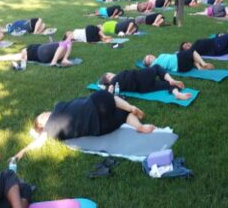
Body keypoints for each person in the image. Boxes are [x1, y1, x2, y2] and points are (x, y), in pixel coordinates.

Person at [11, 90, 156, 160]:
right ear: (42, 124)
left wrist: (22, 151)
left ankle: (139, 126)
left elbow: (39, 141)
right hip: (96, 104)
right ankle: (131, 109)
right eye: (42, 116)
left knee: (122, 116)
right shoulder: (52, 119)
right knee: (110, 98)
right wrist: (21, 152)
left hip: (100, 127)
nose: (45, 113)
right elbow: (38, 142)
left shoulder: (51, 129)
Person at [98, 65, 192, 100]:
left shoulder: (114, 85)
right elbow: (110, 91)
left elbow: (110, 92)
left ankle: (177, 94)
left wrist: (108, 93)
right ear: (108, 77)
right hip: (140, 76)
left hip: (143, 89)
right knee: (156, 67)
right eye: (109, 75)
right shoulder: (114, 80)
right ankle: (171, 80)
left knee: (166, 85)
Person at [0, 38, 73, 68]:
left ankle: (55, 61)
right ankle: (56, 61)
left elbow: (21, 54)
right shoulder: (65, 45)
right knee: (67, 43)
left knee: (66, 43)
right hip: (42, 56)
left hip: (40, 53)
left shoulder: (30, 49)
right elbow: (64, 45)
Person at [143, 49, 214, 73]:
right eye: (149, 59)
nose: (150, 56)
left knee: (191, 57)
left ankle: (199, 67)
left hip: (182, 66)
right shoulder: (154, 65)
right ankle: (203, 64)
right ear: (149, 64)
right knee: (192, 51)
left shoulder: (158, 58)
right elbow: (151, 69)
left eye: (149, 55)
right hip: (179, 62)